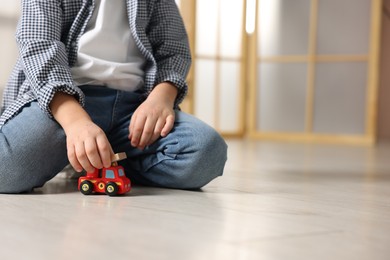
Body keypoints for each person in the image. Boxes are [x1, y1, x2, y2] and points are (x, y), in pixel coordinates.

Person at [0, 0, 227, 193]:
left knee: (206, 152)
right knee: (6, 169)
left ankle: (102, 161)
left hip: (136, 107)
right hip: (65, 103)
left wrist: (161, 99)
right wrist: (77, 123)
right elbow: (39, 45)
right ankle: (88, 153)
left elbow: (173, 49)